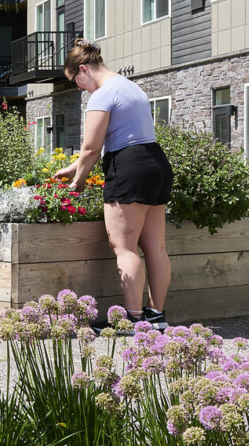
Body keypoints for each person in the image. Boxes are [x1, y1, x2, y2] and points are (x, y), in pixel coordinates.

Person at [53, 40, 173, 330]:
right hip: (155, 164)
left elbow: (92, 148)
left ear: (83, 69)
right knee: (155, 247)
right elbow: (126, 134)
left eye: (75, 81)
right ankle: (156, 317)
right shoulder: (132, 87)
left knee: (124, 246)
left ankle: (131, 320)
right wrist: (73, 168)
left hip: (129, 168)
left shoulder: (102, 95)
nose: (79, 88)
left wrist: (78, 182)